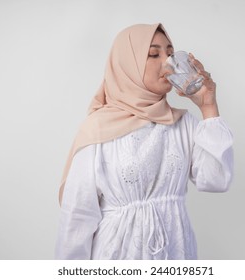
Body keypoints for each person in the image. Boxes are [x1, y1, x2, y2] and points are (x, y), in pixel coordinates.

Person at [55, 23, 234, 260]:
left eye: (170, 53)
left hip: (175, 253)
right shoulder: (98, 128)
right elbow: (78, 217)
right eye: (153, 54)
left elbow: (216, 180)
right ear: (128, 64)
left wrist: (209, 106)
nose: (168, 62)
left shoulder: (182, 123)